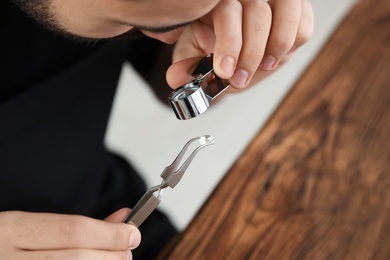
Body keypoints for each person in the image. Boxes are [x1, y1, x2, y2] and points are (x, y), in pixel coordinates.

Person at [0, 0, 314, 259]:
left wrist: (204, 63)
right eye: (145, 25)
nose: (167, 36)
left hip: (110, 209)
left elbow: (159, 62)